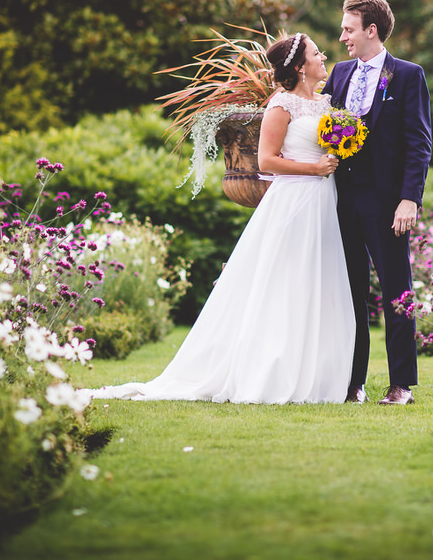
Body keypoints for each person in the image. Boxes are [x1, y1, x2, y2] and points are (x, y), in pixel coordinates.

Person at [81, 33, 355, 404]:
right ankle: (273, 370)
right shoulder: (281, 105)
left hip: (324, 200)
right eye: (315, 53)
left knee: (318, 281)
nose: (323, 57)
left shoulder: (326, 102)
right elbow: (266, 161)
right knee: (286, 283)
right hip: (294, 201)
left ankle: (320, 375)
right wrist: (315, 167)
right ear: (299, 66)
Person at [321, 0, 433, 406]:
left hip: (386, 203)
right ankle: (354, 383)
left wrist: (410, 199)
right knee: (349, 292)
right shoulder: (340, 73)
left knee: (395, 291)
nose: (343, 37)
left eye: (349, 29)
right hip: (341, 199)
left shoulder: (405, 75)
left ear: (371, 30)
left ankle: (401, 384)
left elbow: (419, 141)